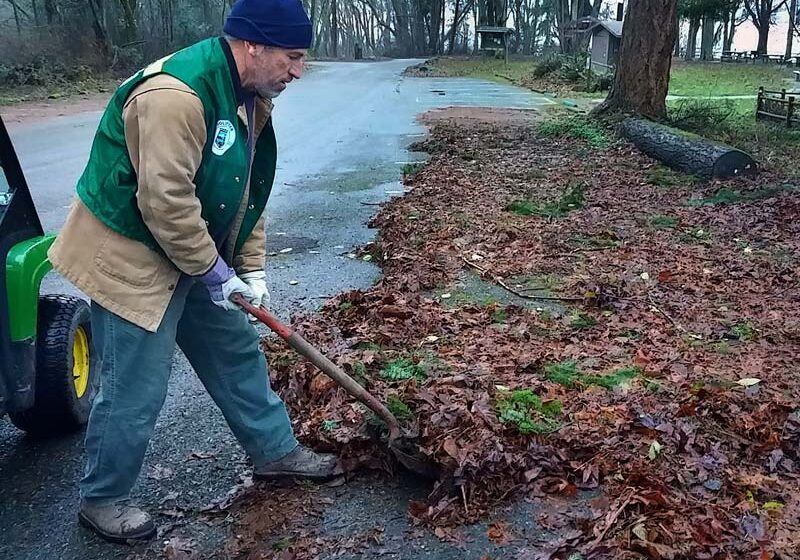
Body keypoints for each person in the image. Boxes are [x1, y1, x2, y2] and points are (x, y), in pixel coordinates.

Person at [48, 0, 339, 545]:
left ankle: (275, 451)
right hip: (129, 253)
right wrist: (215, 272)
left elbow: (246, 188)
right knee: (134, 389)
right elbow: (163, 201)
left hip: (193, 250)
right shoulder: (173, 98)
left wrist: (248, 271)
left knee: (236, 352)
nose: (298, 71)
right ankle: (102, 499)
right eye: (293, 57)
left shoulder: (252, 95)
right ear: (254, 45)